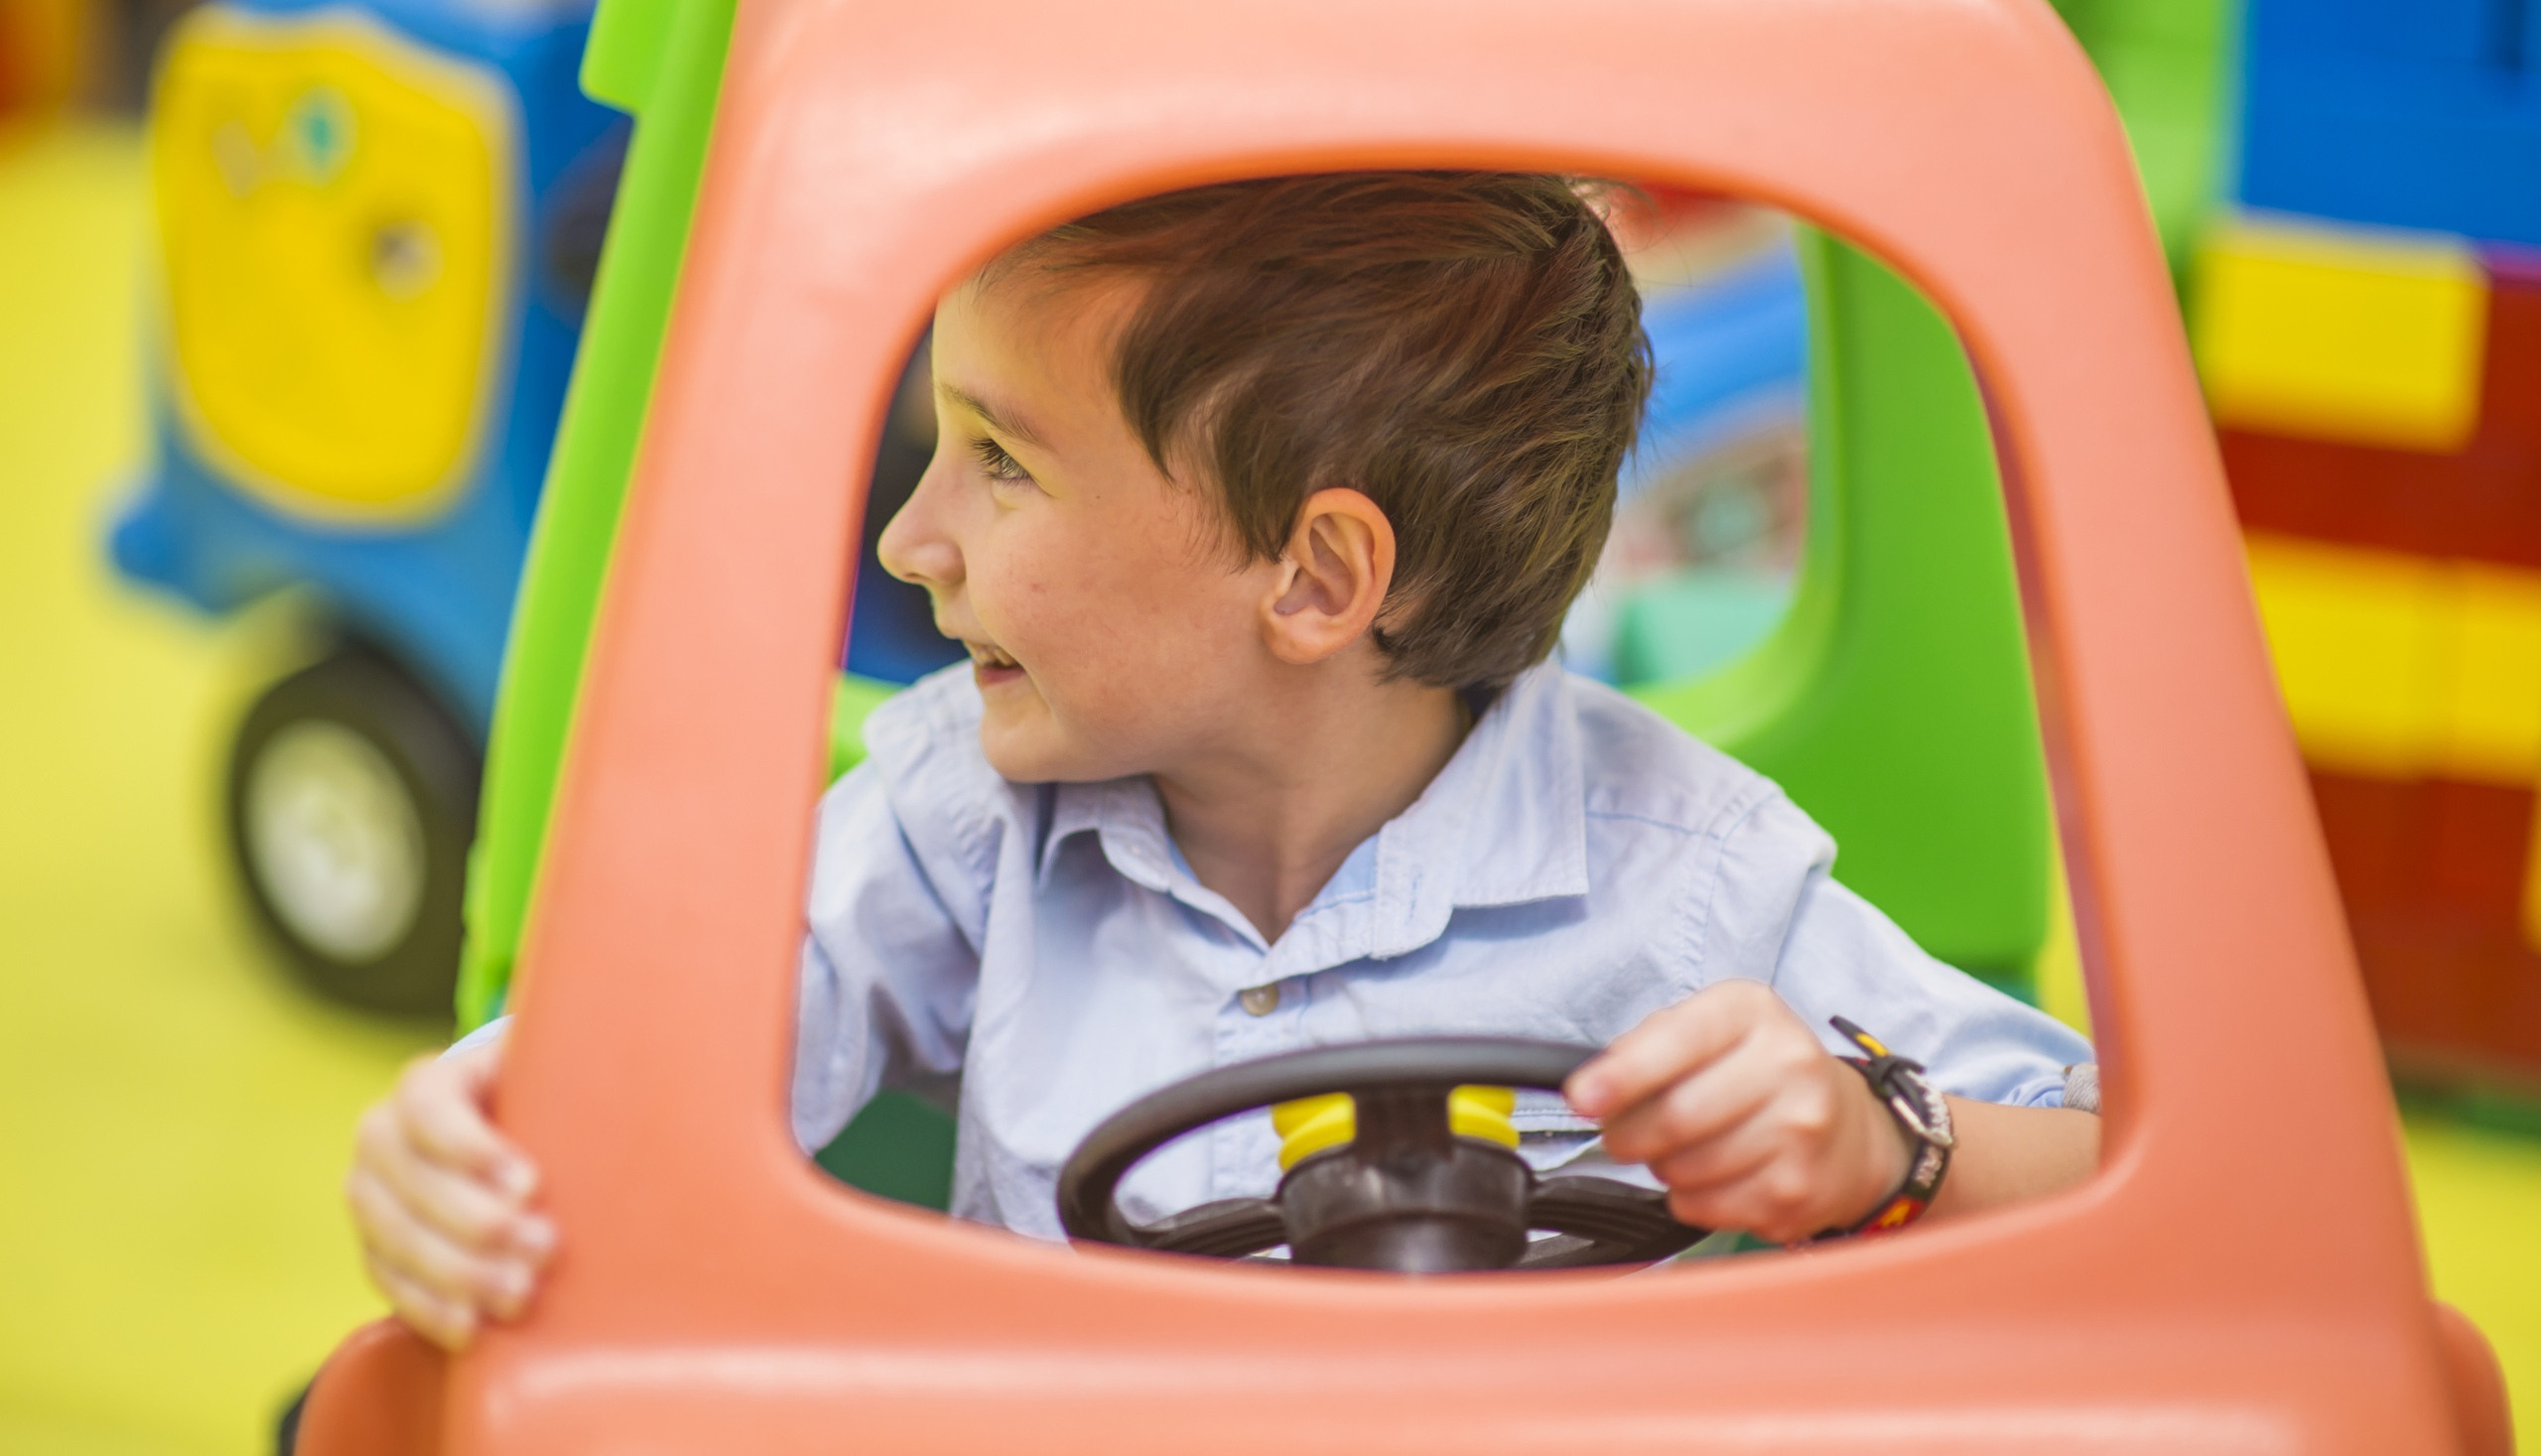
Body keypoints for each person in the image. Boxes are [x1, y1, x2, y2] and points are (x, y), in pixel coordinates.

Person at [344, 172, 2098, 1348]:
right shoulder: (974, 819)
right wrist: (482, 1125)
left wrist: (1891, 1143)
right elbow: (678, 1030)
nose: (912, 538)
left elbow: (2118, 1170)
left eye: (1001, 463)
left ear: (1316, 576)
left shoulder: (1689, 873)